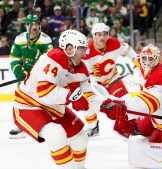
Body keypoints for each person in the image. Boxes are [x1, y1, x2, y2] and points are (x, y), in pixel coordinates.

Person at [12, 29, 126, 169]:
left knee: (80, 138)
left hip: (54, 108)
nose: (85, 54)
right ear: (69, 48)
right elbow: (44, 91)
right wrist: (73, 96)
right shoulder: (54, 57)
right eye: (82, 49)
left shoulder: (81, 68)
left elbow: (88, 95)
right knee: (56, 134)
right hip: (28, 105)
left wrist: (106, 104)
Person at [99, 44, 162, 168]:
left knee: (157, 150)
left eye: (150, 59)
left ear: (158, 59)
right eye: (144, 59)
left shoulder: (161, 77)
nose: (146, 62)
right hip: (158, 112)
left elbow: (146, 102)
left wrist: (123, 105)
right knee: (135, 125)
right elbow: (139, 60)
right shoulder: (151, 65)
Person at [82, 22, 138, 137]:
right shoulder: (87, 52)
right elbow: (86, 74)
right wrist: (94, 85)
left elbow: (127, 50)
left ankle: (133, 126)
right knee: (86, 103)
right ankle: (93, 127)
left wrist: (135, 59)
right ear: (94, 36)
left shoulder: (114, 43)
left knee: (127, 103)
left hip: (113, 80)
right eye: (99, 34)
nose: (102, 37)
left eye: (104, 34)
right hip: (95, 83)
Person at [9, 14, 53, 139]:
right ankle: (21, 126)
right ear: (26, 25)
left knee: (42, 100)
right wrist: (19, 73)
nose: (34, 27)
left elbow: (49, 61)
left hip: (41, 75)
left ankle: (45, 126)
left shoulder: (45, 39)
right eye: (31, 24)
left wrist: (34, 54)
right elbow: (14, 58)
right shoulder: (19, 39)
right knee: (20, 100)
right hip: (24, 74)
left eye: (36, 24)